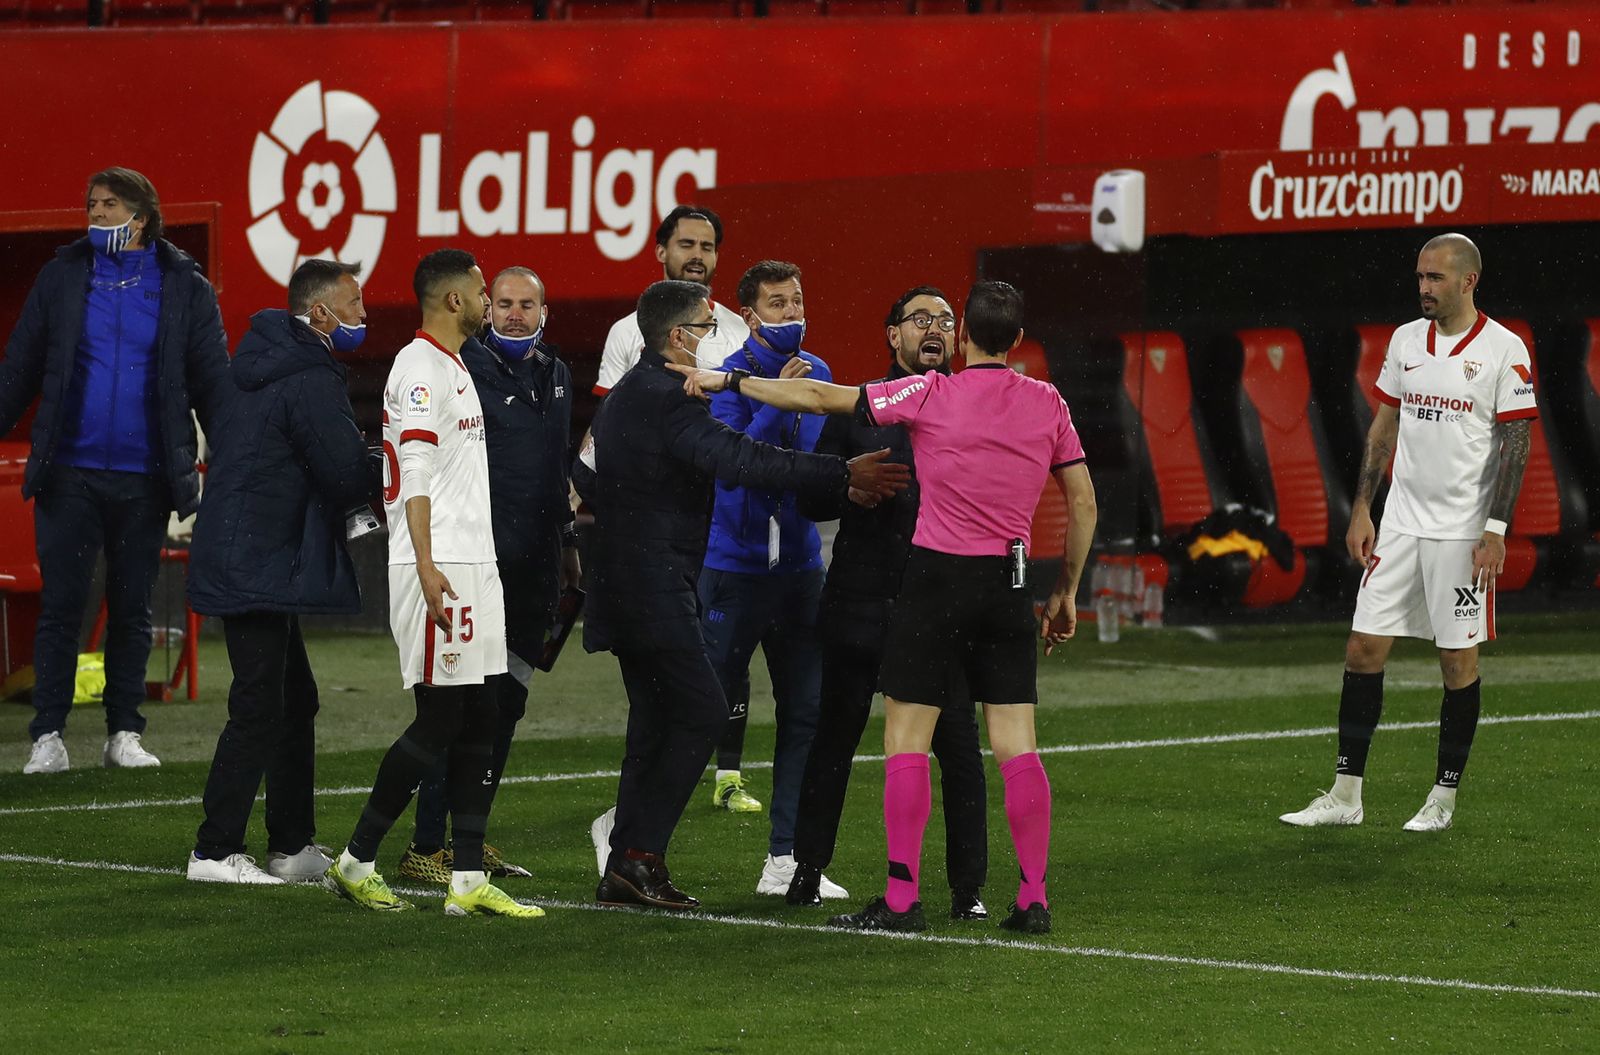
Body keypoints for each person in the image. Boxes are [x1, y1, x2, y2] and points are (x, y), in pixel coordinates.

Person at [670, 280, 1097, 935]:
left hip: (932, 584)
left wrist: (728, 384)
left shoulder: (929, 392)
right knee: (1016, 745)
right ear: (1016, 340)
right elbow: (1084, 502)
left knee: (906, 741)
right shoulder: (1048, 400)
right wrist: (1066, 588)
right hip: (1008, 586)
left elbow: (817, 394)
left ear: (962, 338)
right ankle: (1033, 898)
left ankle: (902, 900)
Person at [578, 279, 909, 911]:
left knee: (653, 721)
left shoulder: (627, 393)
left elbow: (584, 476)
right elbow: (741, 461)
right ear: (679, 337)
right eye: (704, 328)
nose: (710, 338)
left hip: (626, 581)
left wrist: (636, 512)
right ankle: (639, 855)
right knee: (703, 710)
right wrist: (843, 474)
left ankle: (627, 863)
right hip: (660, 585)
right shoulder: (671, 398)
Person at [1279, 233, 1536, 834]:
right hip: (1398, 525)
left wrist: (1496, 529)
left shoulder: (1504, 350)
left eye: (1436, 278)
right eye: (1420, 277)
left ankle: (1442, 797)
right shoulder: (1403, 341)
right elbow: (1382, 429)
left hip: (1460, 533)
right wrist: (1363, 507)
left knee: (1456, 662)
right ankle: (1346, 795)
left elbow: (1516, 447)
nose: (1424, 288)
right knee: (1363, 649)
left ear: (1469, 281)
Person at [323, 249, 540, 919]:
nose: (487, 300)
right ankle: (357, 859)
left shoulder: (453, 367)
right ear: (454, 300)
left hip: (473, 564)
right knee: (441, 713)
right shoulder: (420, 369)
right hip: (438, 564)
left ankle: (468, 878)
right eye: (480, 291)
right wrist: (423, 562)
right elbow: (412, 474)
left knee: (482, 709)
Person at [1, 167, 229, 776]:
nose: (97, 214)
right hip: (68, 471)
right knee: (62, 607)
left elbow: (213, 383)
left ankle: (123, 732)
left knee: (132, 609)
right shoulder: (63, 275)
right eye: (92, 204)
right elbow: (19, 366)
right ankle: (47, 734)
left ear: (142, 218)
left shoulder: (185, 285)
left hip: (146, 476)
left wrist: (235, 462)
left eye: (110, 205)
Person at [786, 286, 989, 919]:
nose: (935, 328)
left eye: (945, 320)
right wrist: (848, 482)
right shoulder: (858, 408)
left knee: (956, 746)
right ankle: (806, 870)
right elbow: (809, 498)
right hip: (861, 600)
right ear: (891, 335)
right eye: (920, 318)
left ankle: (968, 891)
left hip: (941, 606)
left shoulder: (972, 408)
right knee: (834, 739)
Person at [185, 259, 381, 885]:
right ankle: (214, 852)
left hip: (245, 546)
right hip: (257, 556)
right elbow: (343, 470)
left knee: (295, 699)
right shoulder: (309, 375)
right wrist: (391, 458)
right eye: (353, 301)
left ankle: (292, 846)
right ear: (319, 313)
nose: (363, 313)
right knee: (261, 704)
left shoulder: (258, 362)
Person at [397, 265, 579, 885]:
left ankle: (468, 837)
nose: (514, 314)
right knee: (458, 708)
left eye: (527, 304)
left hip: (536, 569)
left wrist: (568, 548)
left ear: (544, 310)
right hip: (479, 565)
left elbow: (557, 473)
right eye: (502, 302)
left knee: (506, 707)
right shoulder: (460, 368)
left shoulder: (555, 375)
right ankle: (426, 843)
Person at [694, 260, 846, 897]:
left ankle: (785, 859)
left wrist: (796, 399)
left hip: (801, 573)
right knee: (696, 712)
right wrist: (772, 398)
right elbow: (734, 469)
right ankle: (633, 841)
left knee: (805, 715)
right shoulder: (724, 380)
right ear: (750, 316)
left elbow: (812, 463)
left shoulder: (821, 376)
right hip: (732, 569)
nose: (792, 314)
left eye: (798, 301)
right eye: (778, 305)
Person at [592, 205, 748, 397]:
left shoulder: (741, 331)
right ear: (661, 252)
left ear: (715, 257)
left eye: (707, 247)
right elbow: (609, 415)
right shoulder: (625, 331)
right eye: (686, 244)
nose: (698, 255)